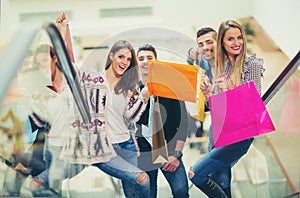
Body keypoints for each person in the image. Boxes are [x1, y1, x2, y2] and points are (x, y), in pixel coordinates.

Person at [56, 13, 151, 198]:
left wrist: (143, 97)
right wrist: (61, 31)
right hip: (103, 149)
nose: (124, 62)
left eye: (128, 59)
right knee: (142, 178)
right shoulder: (92, 79)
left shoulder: (128, 86)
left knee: (131, 192)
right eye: (121, 57)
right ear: (112, 56)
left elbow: (132, 118)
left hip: (127, 145)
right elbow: (67, 65)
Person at [188, 19, 265, 198]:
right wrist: (209, 95)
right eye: (230, 39)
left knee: (195, 173)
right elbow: (220, 111)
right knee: (221, 180)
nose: (237, 43)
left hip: (240, 135)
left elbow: (254, 105)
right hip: (221, 130)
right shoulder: (224, 67)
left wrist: (227, 91)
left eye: (239, 38)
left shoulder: (251, 64)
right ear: (223, 42)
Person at [136, 44, 189, 198]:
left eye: (149, 58)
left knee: (181, 191)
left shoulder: (170, 88)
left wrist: (176, 154)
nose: (145, 61)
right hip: (144, 154)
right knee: (149, 195)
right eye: (141, 59)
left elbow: (183, 123)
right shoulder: (132, 91)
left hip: (170, 151)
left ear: (156, 62)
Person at [186, 27, 217, 151]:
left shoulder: (228, 64)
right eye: (201, 44)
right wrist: (192, 52)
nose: (205, 47)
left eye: (209, 42)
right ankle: (197, 135)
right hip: (209, 103)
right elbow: (189, 60)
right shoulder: (204, 61)